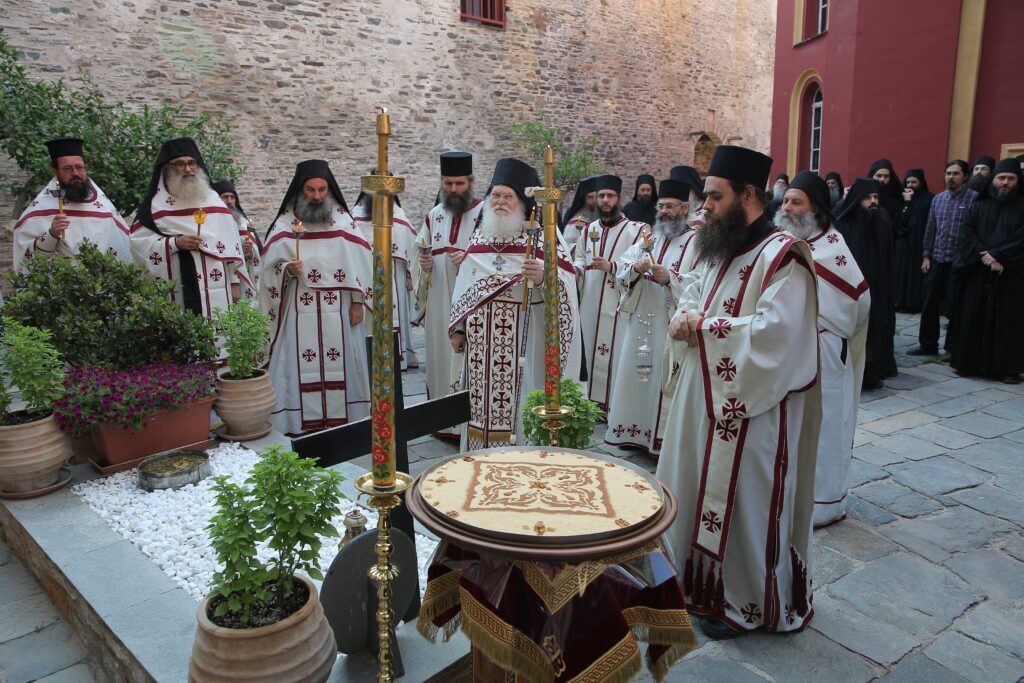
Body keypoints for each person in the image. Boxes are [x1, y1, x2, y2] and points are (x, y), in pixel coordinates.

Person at [659, 145, 820, 639]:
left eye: (715, 196)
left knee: (745, 504)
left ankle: (741, 599)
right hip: (700, 395)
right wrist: (684, 315)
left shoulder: (783, 257)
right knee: (687, 486)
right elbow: (694, 289)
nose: (704, 206)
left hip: (752, 407)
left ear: (748, 195)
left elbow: (778, 335)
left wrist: (703, 328)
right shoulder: (719, 244)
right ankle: (690, 584)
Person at [448, 157, 580, 450]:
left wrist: (544, 278)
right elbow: (464, 285)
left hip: (525, 336)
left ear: (523, 202)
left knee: (520, 410)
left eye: (509, 196)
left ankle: (521, 459)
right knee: (480, 409)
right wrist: (458, 328)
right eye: (495, 195)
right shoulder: (480, 235)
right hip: (481, 345)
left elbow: (567, 289)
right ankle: (479, 459)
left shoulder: (543, 239)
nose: (500, 202)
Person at [776, 171, 870, 527]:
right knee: (794, 426)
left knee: (825, 425)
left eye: (796, 202)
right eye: (786, 200)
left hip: (824, 351)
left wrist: (825, 323)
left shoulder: (832, 249)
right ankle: (792, 498)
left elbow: (860, 301)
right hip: (792, 349)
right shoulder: (786, 241)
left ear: (815, 208)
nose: (787, 207)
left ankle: (824, 503)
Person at [258, 160, 372, 436]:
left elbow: (362, 263)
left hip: (340, 309)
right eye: (311, 190)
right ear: (300, 190)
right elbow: (267, 271)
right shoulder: (284, 225)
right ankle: (297, 421)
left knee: (344, 362)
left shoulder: (343, 222)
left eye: (322, 189)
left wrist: (358, 302)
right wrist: (287, 270)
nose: (317, 196)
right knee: (294, 363)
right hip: (298, 308)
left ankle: (346, 420)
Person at [605, 178, 699, 455]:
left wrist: (670, 277)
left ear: (684, 208)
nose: (664, 212)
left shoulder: (697, 242)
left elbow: (702, 282)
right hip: (640, 322)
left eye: (670, 206)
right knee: (636, 375)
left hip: (670, 324)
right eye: (661, 206)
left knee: (660, 377)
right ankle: (630, 430)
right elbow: (623, 265)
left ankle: (659, 440)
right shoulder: (650, 239)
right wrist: (635, 268)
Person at [130, 137, 249, 323]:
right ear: (167, 168)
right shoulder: (155, 206)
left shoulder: (214, 201)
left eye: (192, 163)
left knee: (220, 331)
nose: (187, 169)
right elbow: (138, 246)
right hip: (177, 284)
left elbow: (230, 246)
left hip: (217, 285)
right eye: (180, 164)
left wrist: (234, 282)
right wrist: (174, 243)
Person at [412, 152, 484, 438]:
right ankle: (441, 423)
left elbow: (496, 257)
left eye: (460, 183)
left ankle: (468, 426)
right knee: (440, 359)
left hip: (471, 304)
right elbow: (420, 252)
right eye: (448, 183)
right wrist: (424, 264)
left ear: (470, 182)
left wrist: (470, 257)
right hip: (439, 303)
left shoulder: (485, 213)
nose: (454, 189)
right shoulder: (434, 215)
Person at [572, 174, 646, 411]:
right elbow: (580, 257)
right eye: (601, 195)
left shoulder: (636, 230)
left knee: (617, 352)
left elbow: (642, 262)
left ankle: (613, 406)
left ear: (619, 198)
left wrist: (612, 266)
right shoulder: (588, 230)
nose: (605, 200)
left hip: (619, 303)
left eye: (610, 196)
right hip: (591, 302)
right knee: (588, 347)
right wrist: (576, 270)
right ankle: (588, 405)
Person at [950, 159, 1024, 384]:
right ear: (993, 180)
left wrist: (999, 256)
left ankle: (1007, 369)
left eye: (1010, 179)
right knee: (974, 316)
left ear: (1018, 181)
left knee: (1008, 323)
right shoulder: (979, 205)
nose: (1005, 183)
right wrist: (985, 255)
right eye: (1001, 178)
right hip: (979, 272)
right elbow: (967, 232)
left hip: (1010, 276)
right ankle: (969, 363)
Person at [14, 138, 131, 271]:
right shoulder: (41, 208)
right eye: (67, 169)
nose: (75, 173)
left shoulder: (103, 205)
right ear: (55, 171)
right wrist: (52, 234)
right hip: (61, 281)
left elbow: (121, 244)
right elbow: (26, 255)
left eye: (79, 167)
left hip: (102, 280)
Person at [909, 160, 978, 358]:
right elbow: (930, 229)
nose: (951, 178)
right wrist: (926, 255)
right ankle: (927, 345)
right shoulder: (938, 199)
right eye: (948, 173)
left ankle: (951, 347)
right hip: (937, 258)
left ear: (965, 177)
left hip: (960, 261)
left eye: (956, 174)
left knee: (956, 306)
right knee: (929, 304)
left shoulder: (974, 199)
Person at [352, 176, 419, 370]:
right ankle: (370, 356)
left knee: (396, 314)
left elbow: (411, 246)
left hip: (394, 274)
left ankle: (400, 357)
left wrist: (409, 274)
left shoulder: (398, 215)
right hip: (367, 273)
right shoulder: (356, 217)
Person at [835, 178, 896, 388]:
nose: (873, 201)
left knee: (875, 329)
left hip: (877, 285)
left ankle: (872, 370)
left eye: (876, 197)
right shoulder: (842, 224)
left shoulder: (882, 221)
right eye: (868, 197)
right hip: (850, 289)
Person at [892, 169, 933, 312]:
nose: (910, 185)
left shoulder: (929, 199)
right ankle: (898, 301)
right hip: (902, 244)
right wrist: (906, 202)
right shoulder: (901, 198)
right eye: (908, 182)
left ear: (921, 182)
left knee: (914, 274)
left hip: (919, 243)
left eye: (914, 182)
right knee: (900, 272)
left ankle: (913, 303)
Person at [212, 178, 262, 286]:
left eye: (232, 197)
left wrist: (249, 252)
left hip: (244, 279)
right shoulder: (211, 224)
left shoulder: (244, 224)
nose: (229, 201)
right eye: (225, 197)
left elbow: (258, 255)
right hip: (222, 278)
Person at [560, 175, 598, 248]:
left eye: (597, 196)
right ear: (584, 199)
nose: (594, 201)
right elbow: (567, 247)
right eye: (590, 197)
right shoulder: (577, 221)